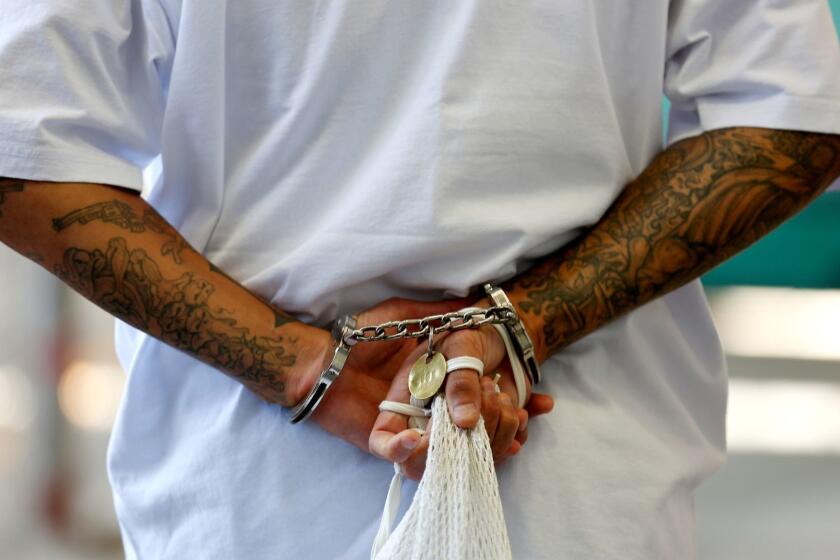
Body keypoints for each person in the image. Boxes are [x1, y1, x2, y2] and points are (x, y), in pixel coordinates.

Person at [1, 1, 839, 558]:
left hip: (251, 489)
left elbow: (23, 155)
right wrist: (527, 321)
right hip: (580, 477)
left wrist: (303, 365)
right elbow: (789, 112)